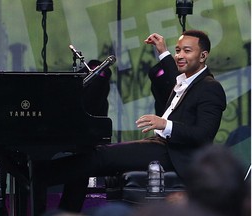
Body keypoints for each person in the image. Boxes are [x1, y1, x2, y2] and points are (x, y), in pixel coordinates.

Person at [33, 29, 227, 215]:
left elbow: (204, 135)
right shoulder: (187, 80)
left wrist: (164, 124)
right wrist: (163, 51)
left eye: (187, 50)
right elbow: (173, 75)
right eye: (178, 50)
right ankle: (63, 205)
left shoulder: (210, 88)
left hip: (176, 154)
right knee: (89, 159)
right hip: (163, 146)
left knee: (101, 156)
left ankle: (38, 177)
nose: (180, 55)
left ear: (203, 56)